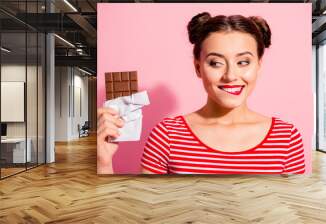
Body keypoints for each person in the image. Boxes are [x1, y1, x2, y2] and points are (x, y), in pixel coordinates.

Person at [97, 12, 306, 174]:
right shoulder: (166, 135)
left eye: (243, 62)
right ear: (198, 67)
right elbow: (147, 211)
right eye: (215, 63)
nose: (230, 75)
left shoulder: (286, 137)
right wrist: (104, 163)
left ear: (259, 65)